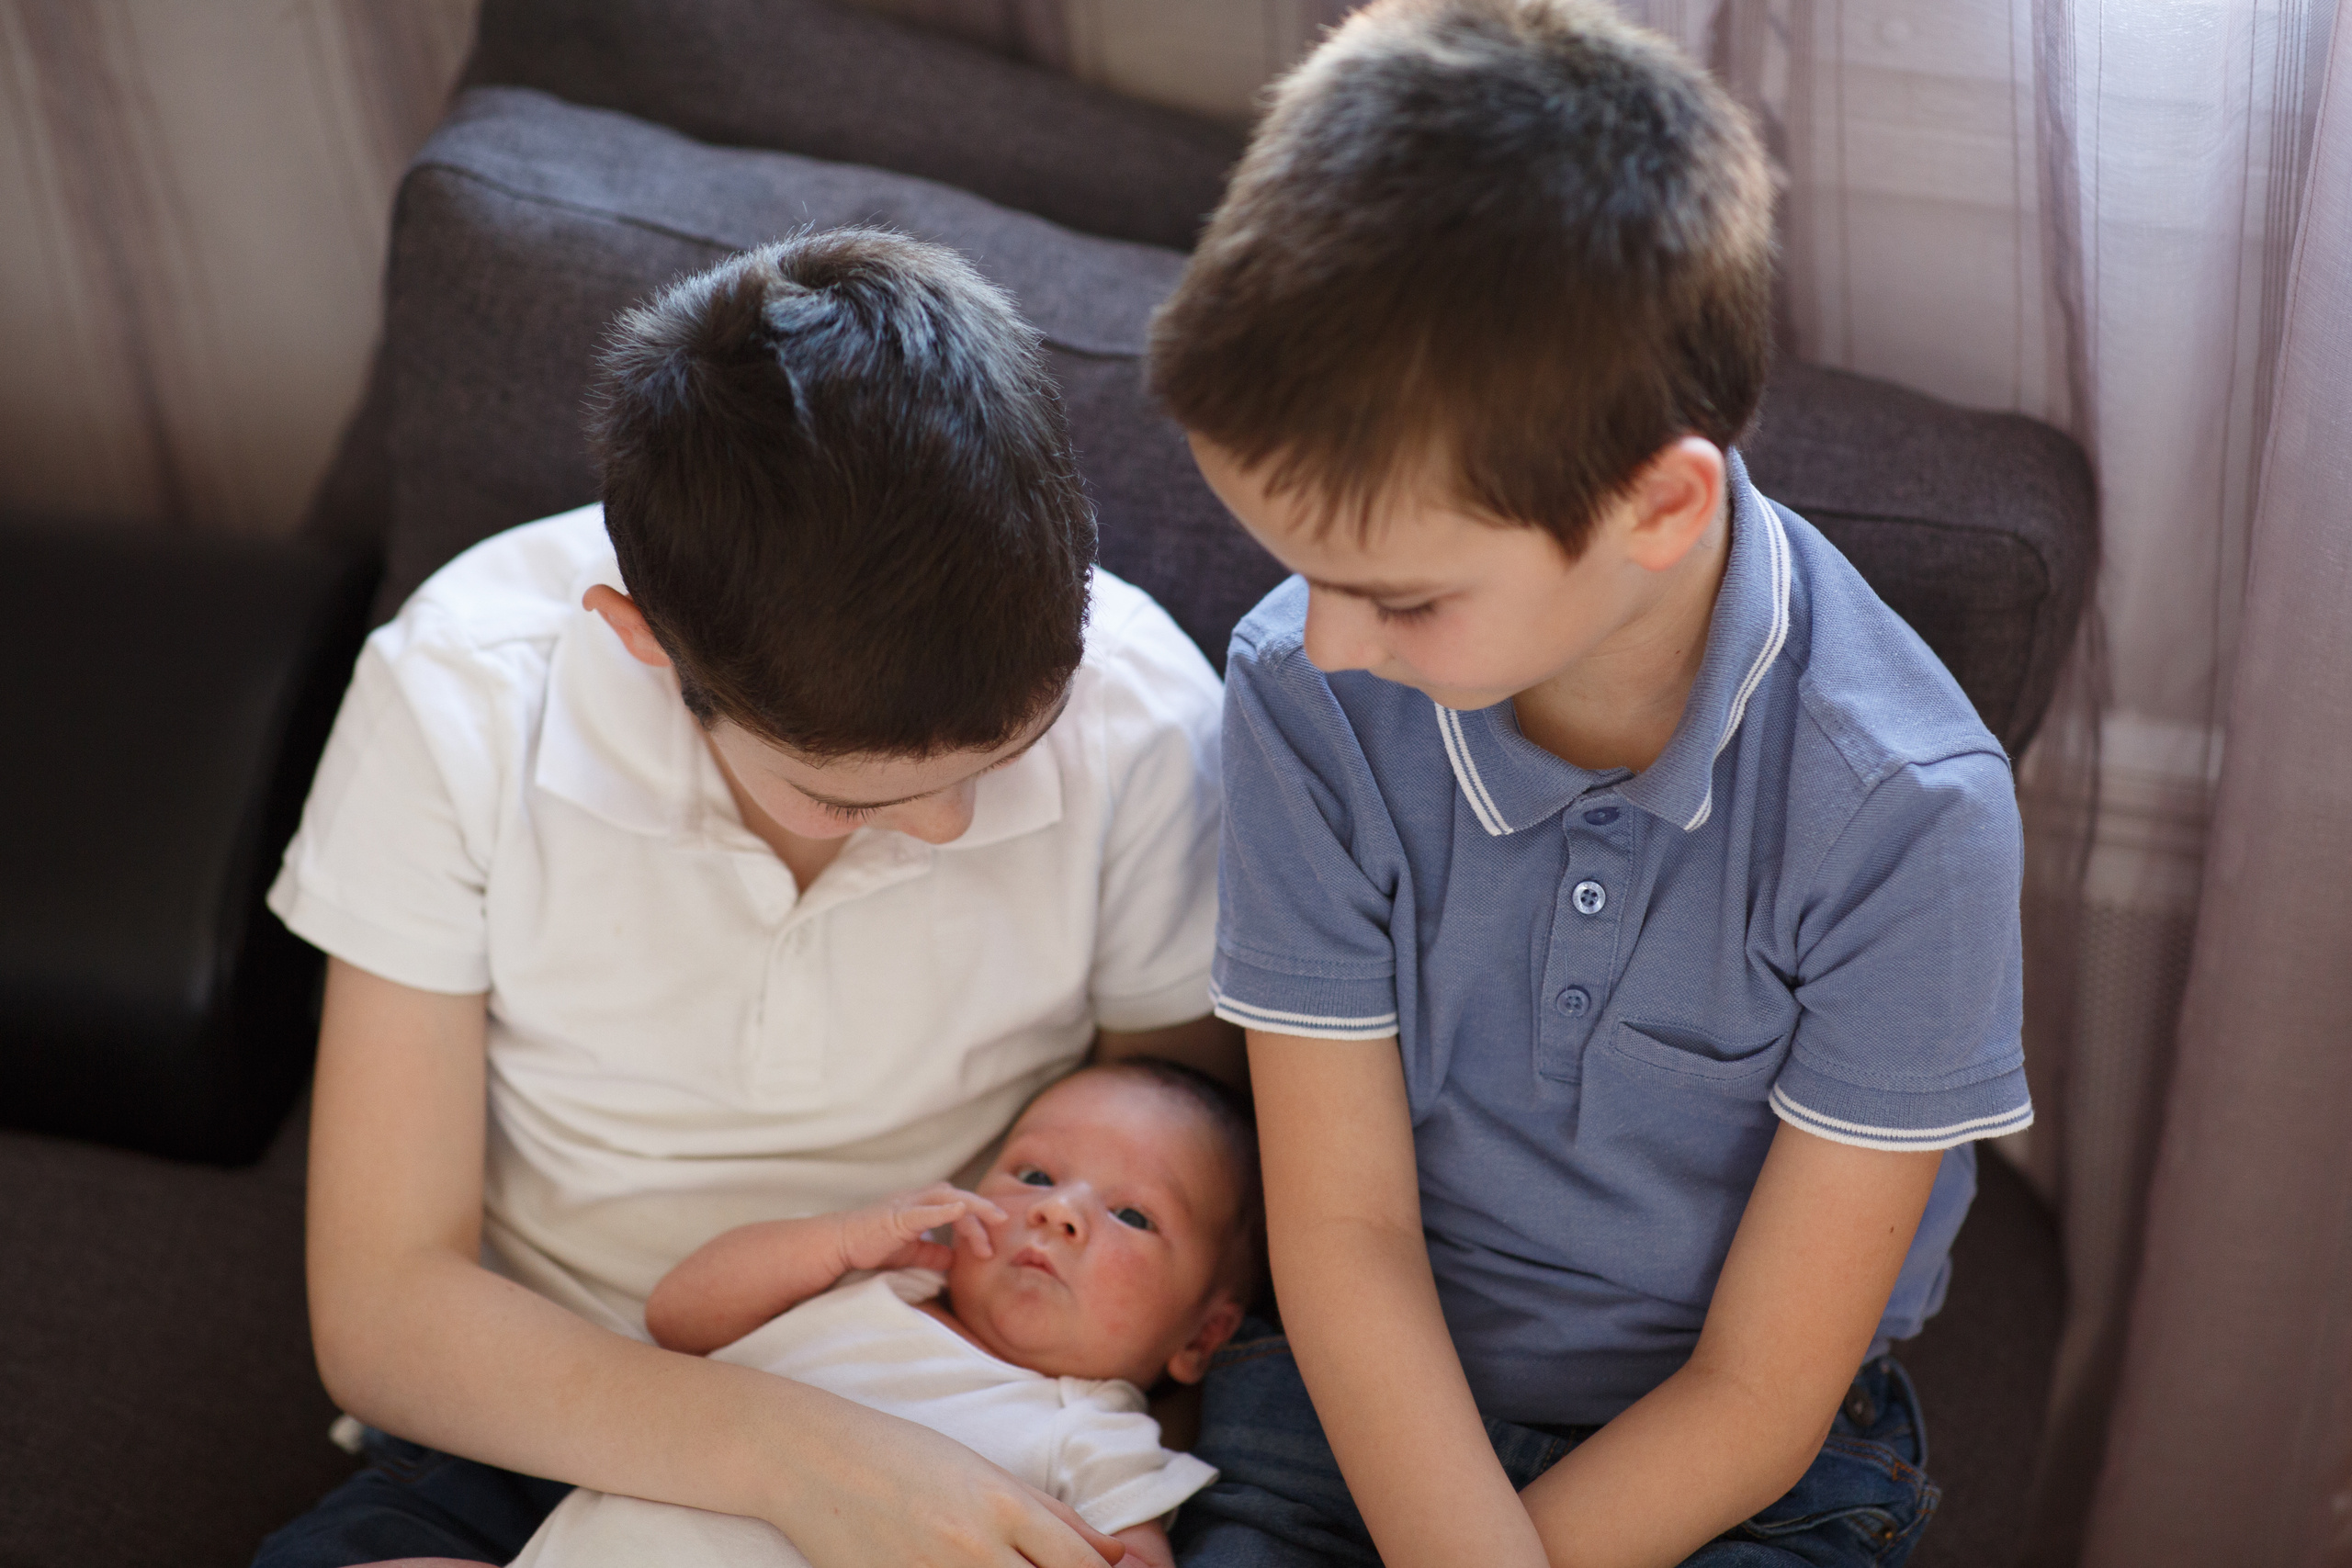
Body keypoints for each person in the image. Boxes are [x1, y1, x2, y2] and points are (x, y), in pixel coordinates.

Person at [1145, 4, 2031, 1565]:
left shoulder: (1908, 817)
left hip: (1744, 1465)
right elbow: (1347, 1237)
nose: (1327, 639)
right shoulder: (1305, 691)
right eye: (1303, 570)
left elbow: (1760, 1391)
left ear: (1657, 508)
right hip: (1357, 1399)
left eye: (1403, 596)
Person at [253, 229, 1236, 1568]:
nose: (950, 826)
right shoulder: (461, 693)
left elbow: (1191, 1192)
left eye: (1005, 757)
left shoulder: (1144, 719)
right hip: (529, 1406)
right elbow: (384, 1306)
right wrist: (797, 1458)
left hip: (962, 1404)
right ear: (645, 644)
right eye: (848, 796)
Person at [509, 1059, 1259, 1568]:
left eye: (1132, 1214)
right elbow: (677, 1317)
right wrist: (837, 1239)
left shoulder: (1093, 1430)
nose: (1058, 1209)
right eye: (1034, 1173)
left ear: (1203, 1335)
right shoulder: (875, 1283)